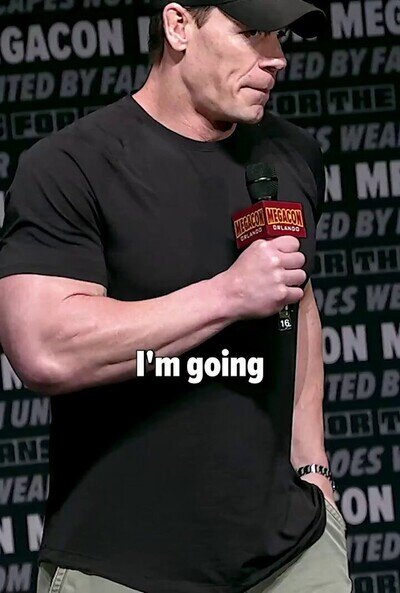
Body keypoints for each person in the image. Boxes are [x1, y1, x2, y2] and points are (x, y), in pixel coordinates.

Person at [0, 0, 352, 592]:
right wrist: (228, 295)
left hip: (292, 557)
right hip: (122, 567)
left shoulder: (293, 155)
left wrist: (312, 464)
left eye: (281, 38)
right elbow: (45, 348)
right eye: (251, 33)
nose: (277, 59)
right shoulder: (70, 166)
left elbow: (300, 303)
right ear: (178, 26)